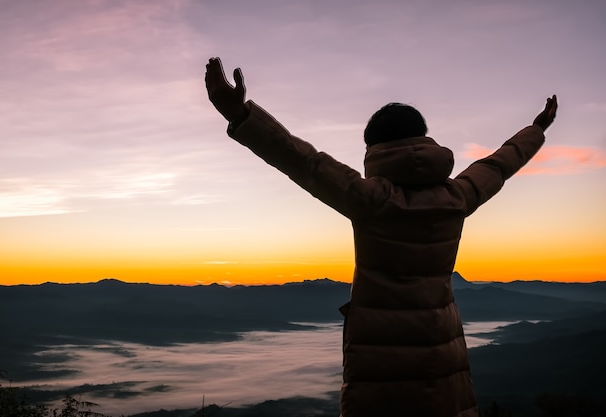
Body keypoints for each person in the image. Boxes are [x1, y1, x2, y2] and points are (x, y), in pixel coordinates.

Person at [204, 57, 557, 417]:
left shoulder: (370, 199)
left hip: (380, 356)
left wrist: (241, 116)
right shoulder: (457, 196)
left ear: (374, 150)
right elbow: (499, 164)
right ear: (424, 139)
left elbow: (303, 161)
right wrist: (536, 129)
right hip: (442, 345)